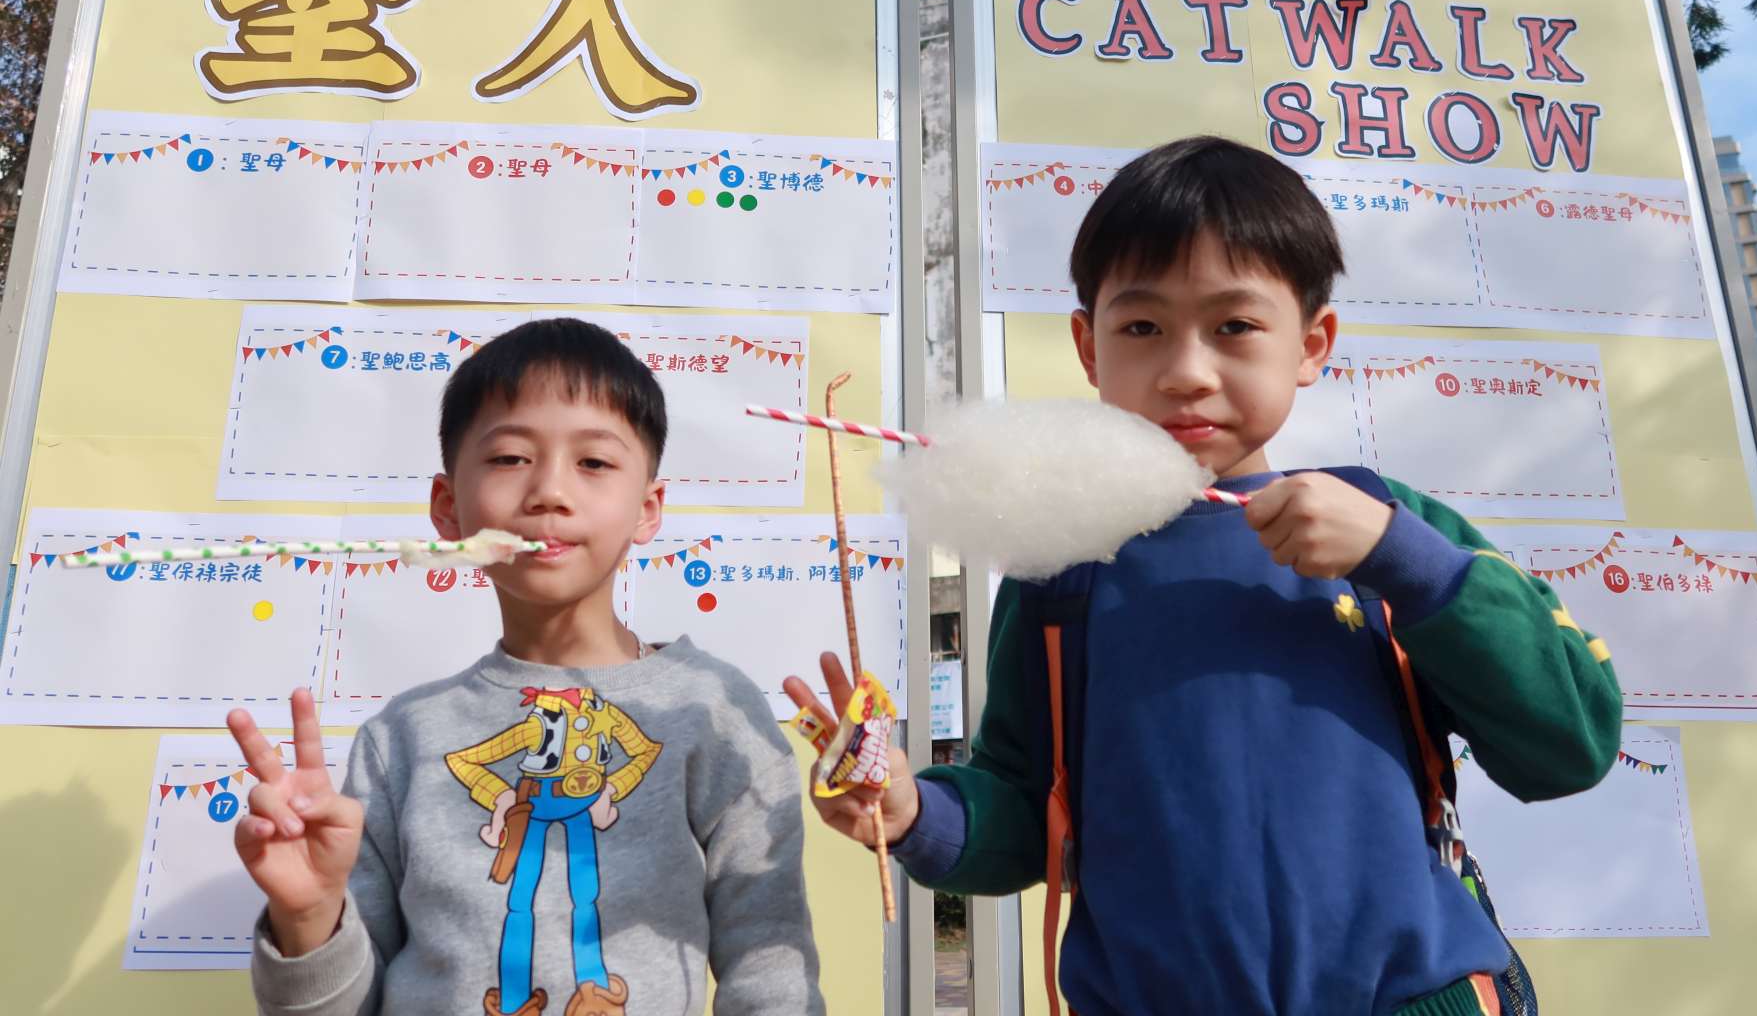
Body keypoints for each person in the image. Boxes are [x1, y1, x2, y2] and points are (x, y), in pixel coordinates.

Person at [788, 136, 1622, 1015]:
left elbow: (1568, 745)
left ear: (1312, 343)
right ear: (1088, 347)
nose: (1186, 373)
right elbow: (1029, 808)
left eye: (1234, 327)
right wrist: (913, 813)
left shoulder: (1391, 529)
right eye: (1143, 328)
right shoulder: (1063, 566)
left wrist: (1401, 558)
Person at [230, 317, 825, 1016]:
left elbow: (769, 965)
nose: (549, 490)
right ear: (448, 509)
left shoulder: (710, 710)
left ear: (647, 509)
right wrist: (307, 918)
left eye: (594, 463)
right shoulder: (400, 740)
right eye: (511, 458)